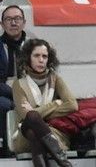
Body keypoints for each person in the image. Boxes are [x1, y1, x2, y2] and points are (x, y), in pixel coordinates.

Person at [11, 38, 75, 167]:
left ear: (49, 59)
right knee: (32, 119)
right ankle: (64, 163)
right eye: (36, 55)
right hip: (23, 136)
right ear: (28, 57)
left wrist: (35, 112)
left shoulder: (56, 80)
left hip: (53, 132)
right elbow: (26, 116)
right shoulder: (19, 84)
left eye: (44, 56)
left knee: (34, 130)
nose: (41, 60)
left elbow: (72, 105)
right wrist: (55, 104)